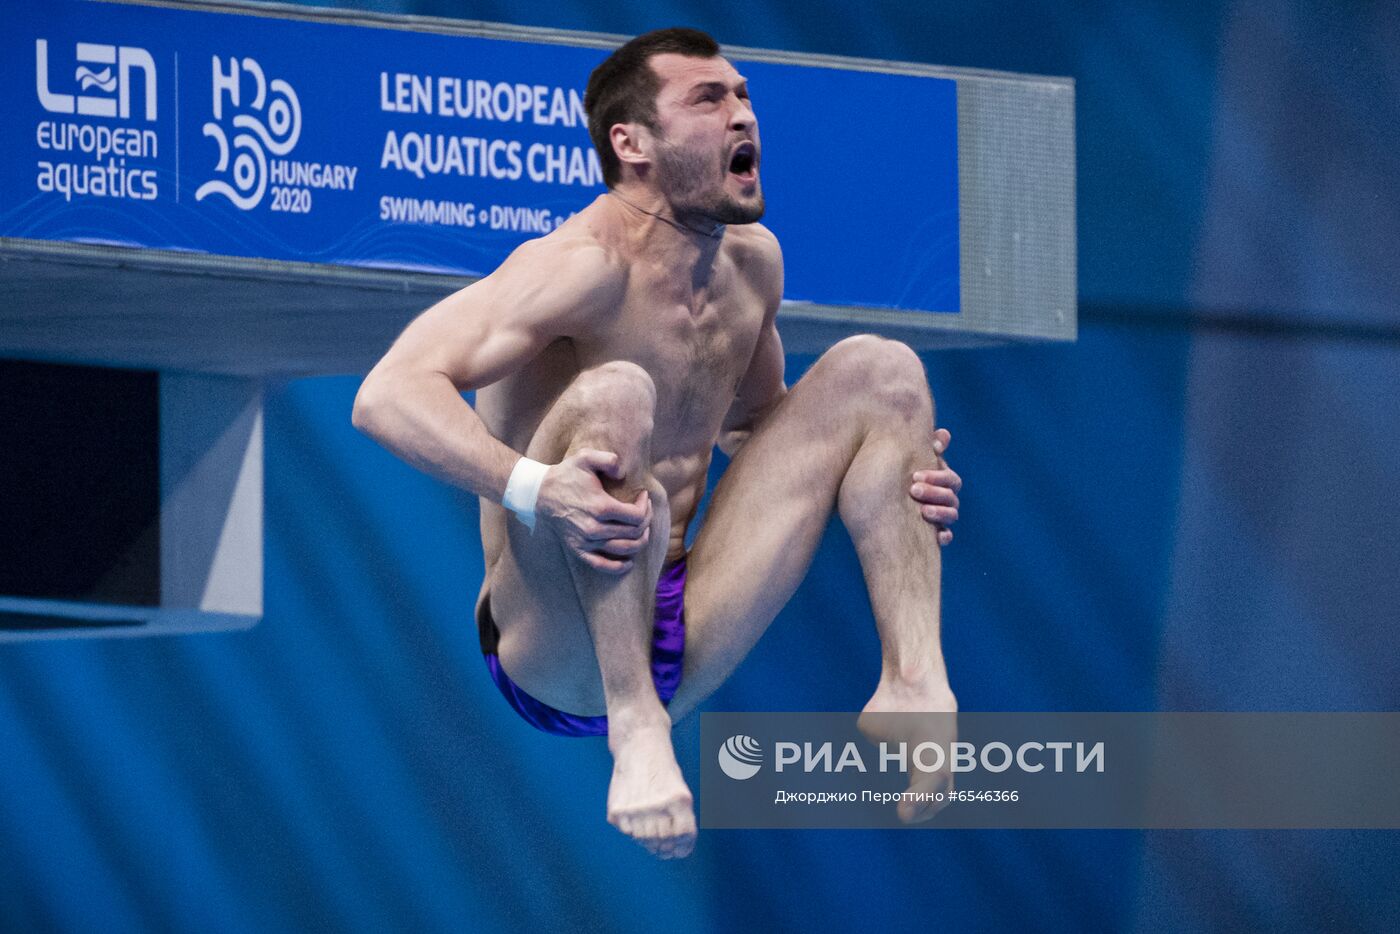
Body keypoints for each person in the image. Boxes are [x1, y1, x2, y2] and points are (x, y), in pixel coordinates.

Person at [352, 27, 962, 860]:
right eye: (709, 100)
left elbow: (756, 432)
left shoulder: (752, 267)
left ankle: (914, 680)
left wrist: (894, 471)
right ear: (630, 144)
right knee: (617, 391)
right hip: (556, 647)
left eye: (743, 95)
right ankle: (634, 728)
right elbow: (385, 395)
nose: (742, 114)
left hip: (689, 614)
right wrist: (535, 486)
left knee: (882, 374)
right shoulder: (574, 267)